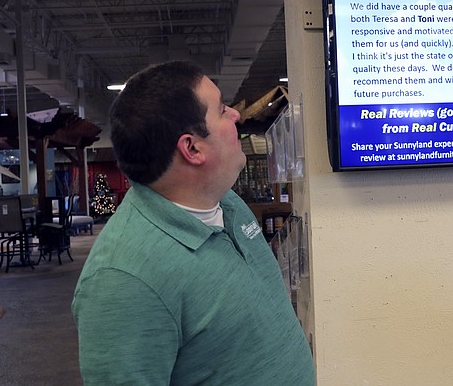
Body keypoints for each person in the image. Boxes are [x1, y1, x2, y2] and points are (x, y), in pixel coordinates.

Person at [72, 61, 315, 385]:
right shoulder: (122, 279)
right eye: (222, 110)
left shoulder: (226, 202)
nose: (235, 116)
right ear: (192, 147)